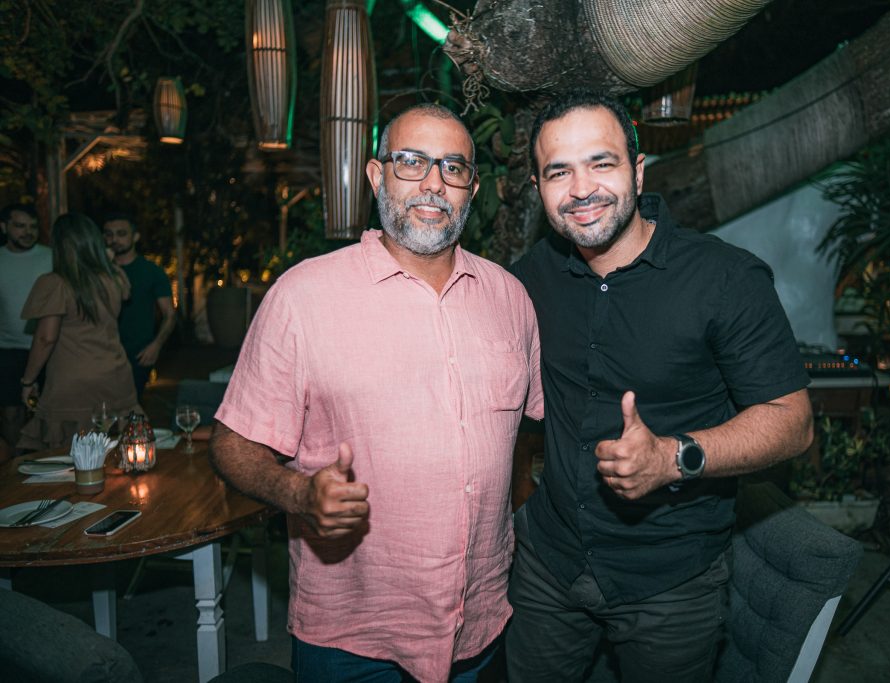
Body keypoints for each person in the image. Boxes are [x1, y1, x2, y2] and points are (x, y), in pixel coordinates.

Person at [209, 103, 543, 683]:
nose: (434, 183)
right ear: (375, 175)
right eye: (411, 161)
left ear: (472, 188)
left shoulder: (510, 299)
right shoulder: (303, 297)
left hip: (482, 627)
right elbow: (231, 444)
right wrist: (297, 493)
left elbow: (523, 439)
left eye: (453, 167)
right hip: (354, 639)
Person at [505, 90, 814, 682]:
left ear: (638, 170)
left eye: (601, 163)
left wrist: (673, 457)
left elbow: (792, 422)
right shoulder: (531, 278)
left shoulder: (726, 279)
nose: (581, 189)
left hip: (670, 582)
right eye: (558, 172)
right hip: (549, 564)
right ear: (538, 186)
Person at [19, 213, 140, 451]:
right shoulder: (113, 278)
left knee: (72, 457)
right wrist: (107, 261)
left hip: (74, 383)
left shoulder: (56, 282)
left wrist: (28, 380)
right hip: (116, 377)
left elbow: (45, 338)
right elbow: (127, 293)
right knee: (117, 454)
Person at [102, 213, 175, 400]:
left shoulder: (151, 271)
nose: (114, 239)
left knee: (130, 406)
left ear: (135, 237)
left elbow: (169, 314)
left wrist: (156, 345)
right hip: (101, 351)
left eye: (121, 233)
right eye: (109, 234)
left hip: (137, 353)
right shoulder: (99, 271)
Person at [0, 203, 52, 461]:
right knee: (11, 414)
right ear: (4, 227)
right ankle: (14, 465)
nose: (28, 232)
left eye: (32, 226)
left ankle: (47, 465)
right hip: (8, 349)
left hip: (49, 347)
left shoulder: (50, 257)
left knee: (47, 412)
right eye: (20, 226)